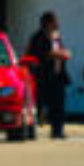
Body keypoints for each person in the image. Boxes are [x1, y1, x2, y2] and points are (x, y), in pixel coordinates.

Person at [26, 10, 71, 138]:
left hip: (58, 75)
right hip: (43, 76)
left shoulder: (56, 36)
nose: (57, 23)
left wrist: (63, 53)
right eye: (55, 21)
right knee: (40, 103)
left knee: (59, 104)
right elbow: (40, 53)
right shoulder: (38, 36)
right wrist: (59, 54)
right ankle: (34, 128)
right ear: (48, 23)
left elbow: (58, 50)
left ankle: (57, 130)